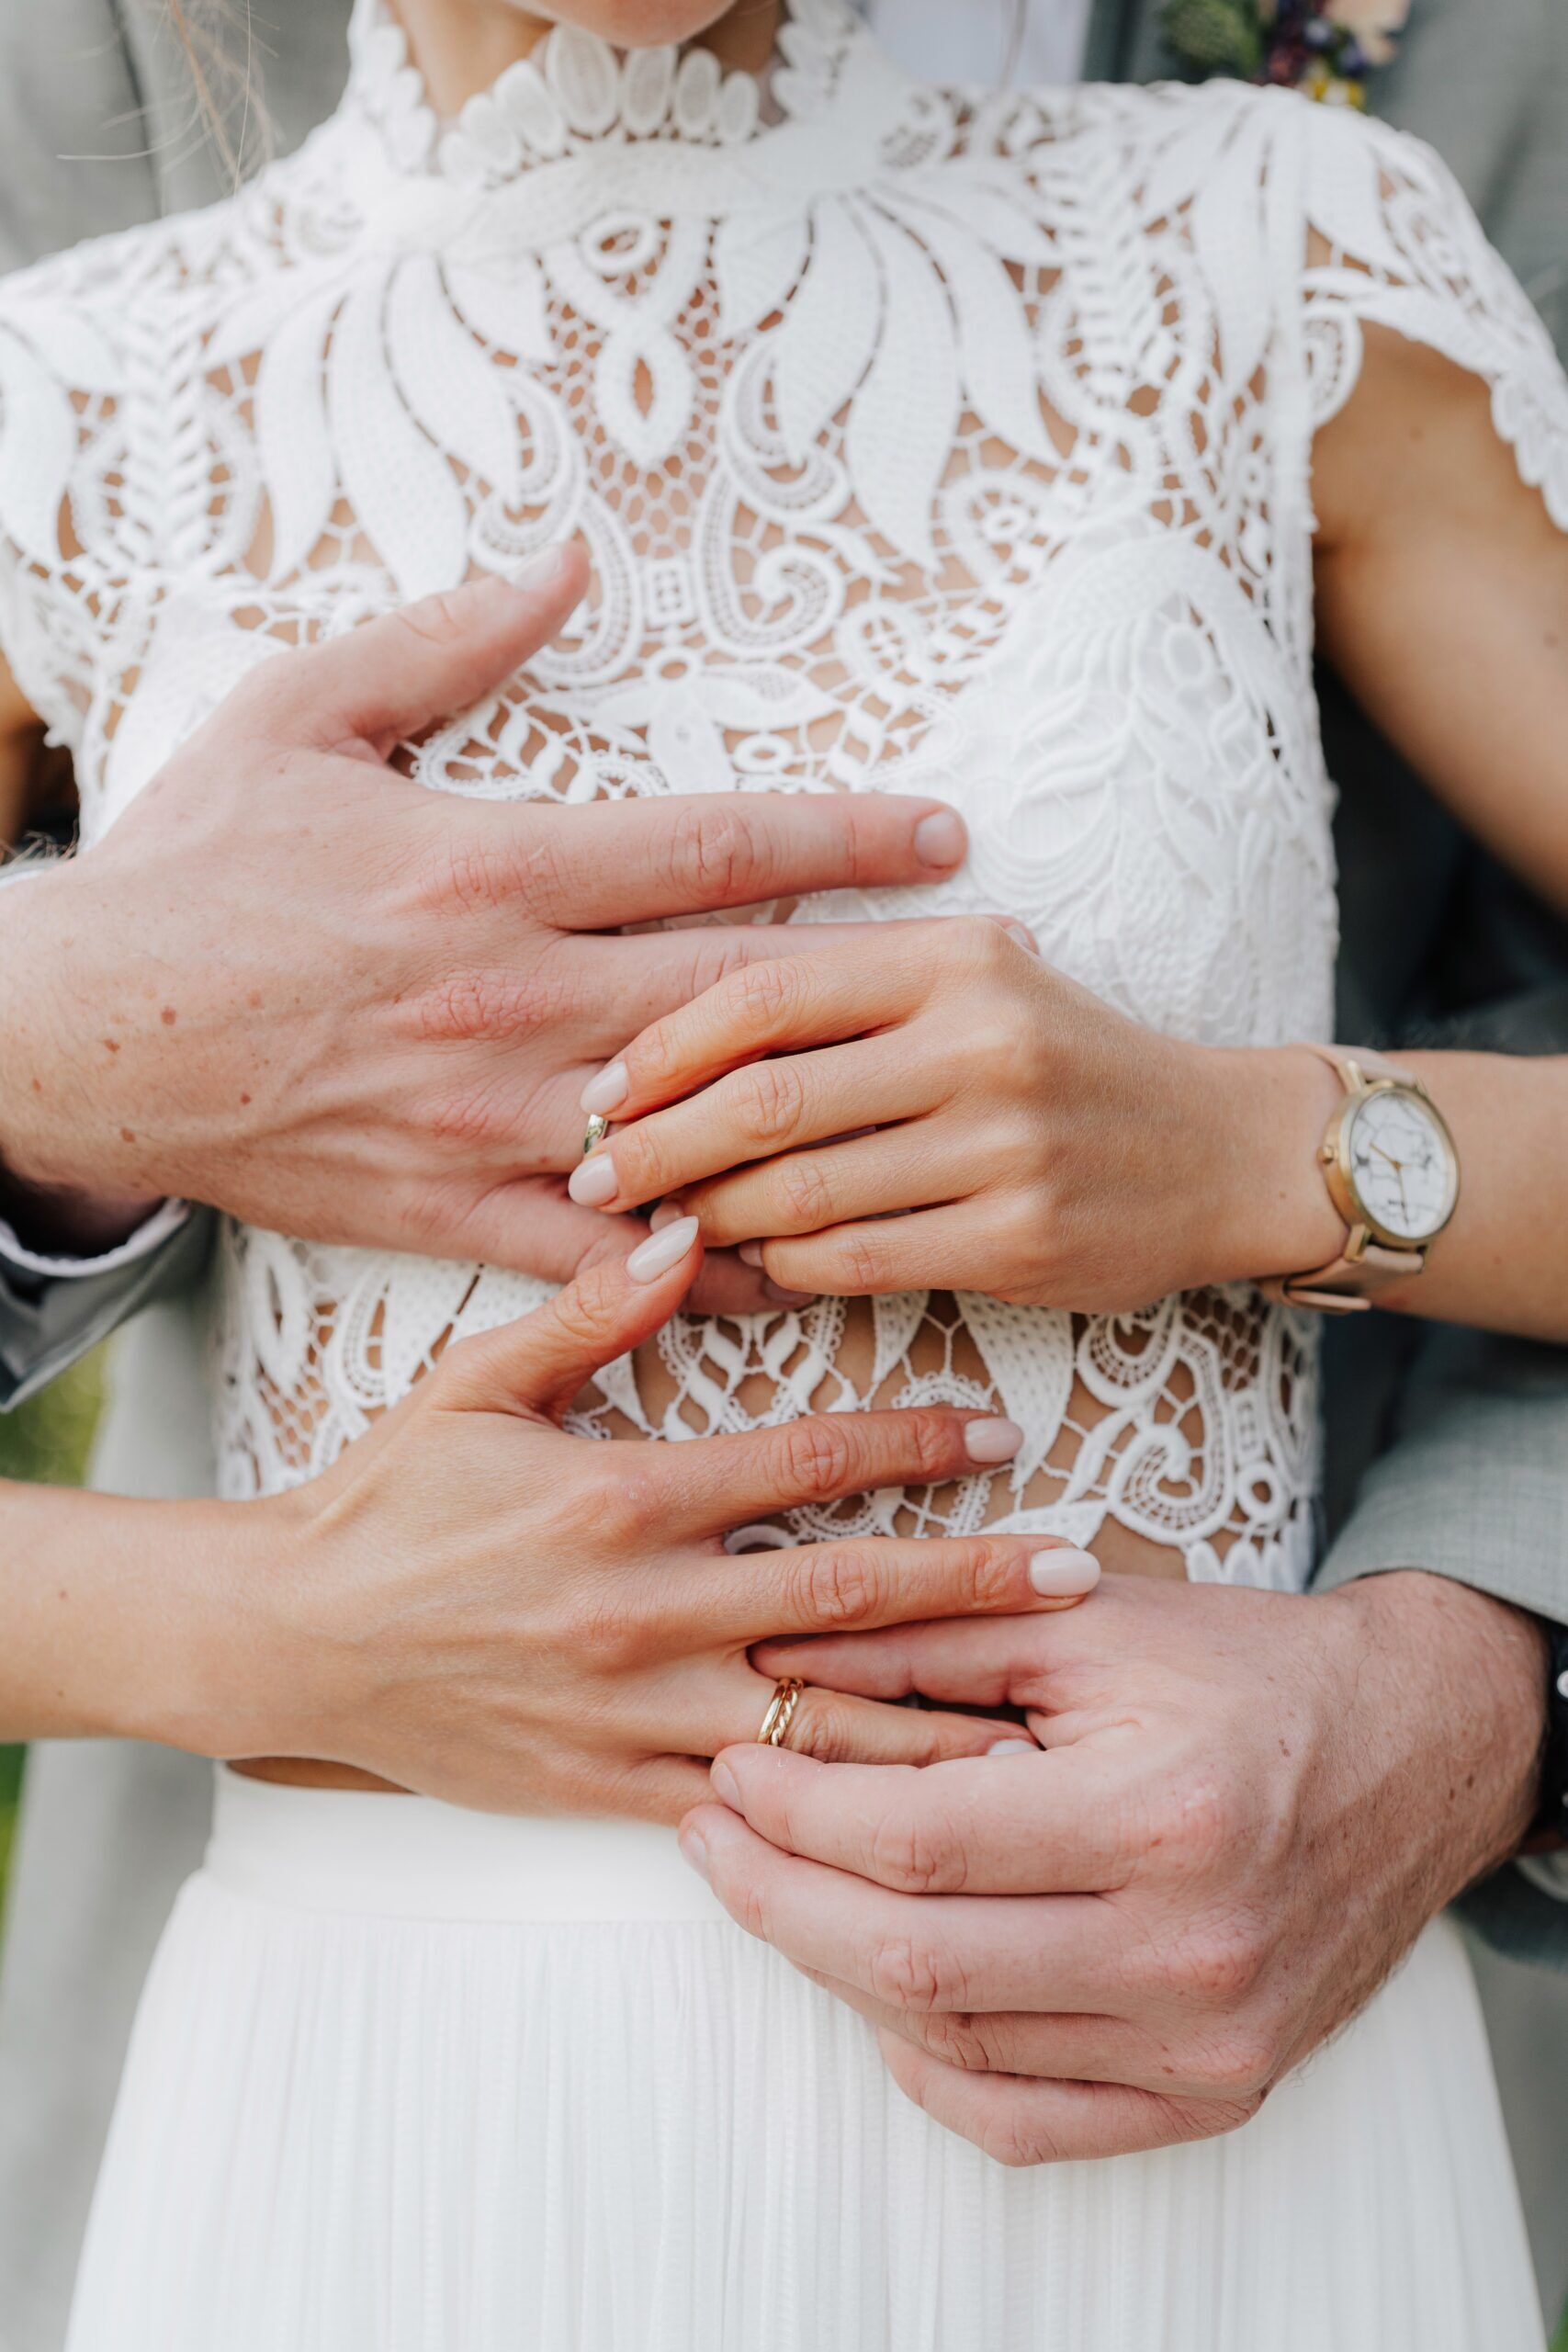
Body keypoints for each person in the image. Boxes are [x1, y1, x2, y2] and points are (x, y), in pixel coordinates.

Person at [0, 0, 1563, 2345]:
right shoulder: (83, 392)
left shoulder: (1264, 250)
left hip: (1183, 2136)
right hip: (390, 2149)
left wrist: (1252, 1149)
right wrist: (265, 1615)